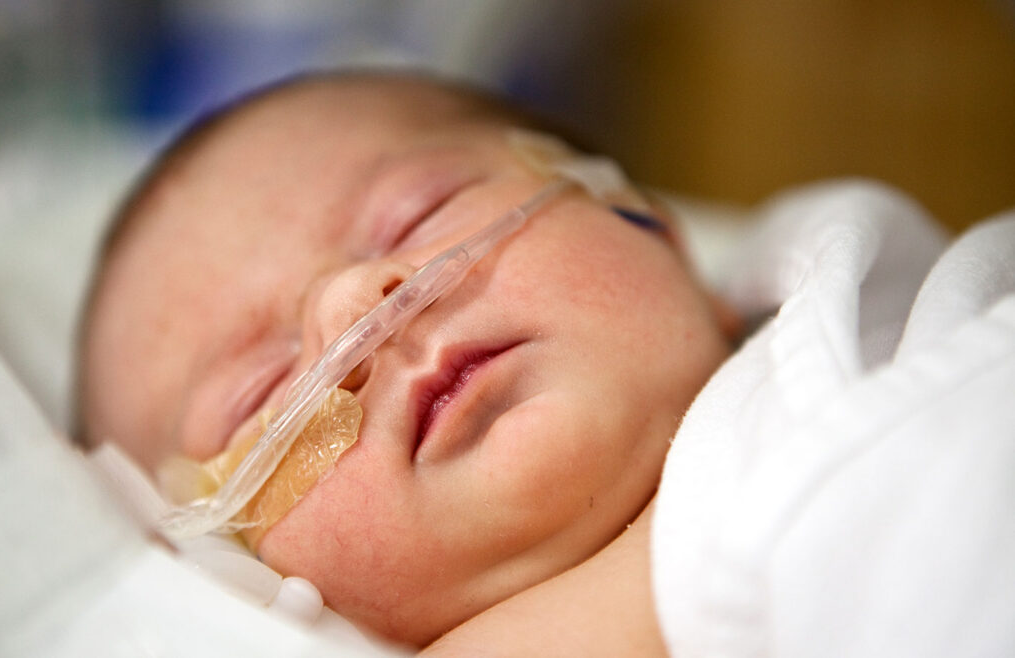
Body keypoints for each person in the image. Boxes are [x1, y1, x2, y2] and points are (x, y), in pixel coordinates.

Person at [77, 69, 1015, 655]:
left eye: (415, 213)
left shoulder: (863, 328)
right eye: (258, 395)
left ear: (641, 215)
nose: (355, 308)